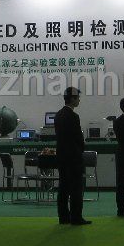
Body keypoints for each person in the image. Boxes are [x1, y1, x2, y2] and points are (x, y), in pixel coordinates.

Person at [55, 87, 91, 225]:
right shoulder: (73, 116)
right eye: (78, 98)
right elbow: (78, 138)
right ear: (72, 99)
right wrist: (80, 149)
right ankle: (76, 217)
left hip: (62, 157)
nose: (79, 100)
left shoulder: (58, 115)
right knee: (76, 188)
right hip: (73, 157)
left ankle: (63, 217)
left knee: (63, 188)